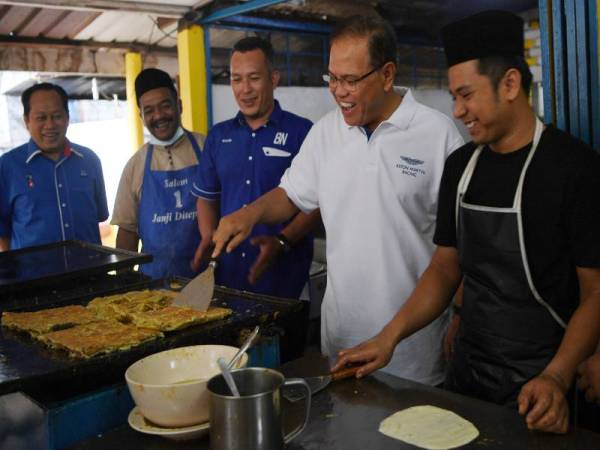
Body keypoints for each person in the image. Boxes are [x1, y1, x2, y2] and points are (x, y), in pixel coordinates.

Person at [332, 10, 600, 435]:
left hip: (544, 383)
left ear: (510, 84)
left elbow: (595, 291)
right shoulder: (462, 167)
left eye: (466, 95)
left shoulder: (573, 170)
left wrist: (558, 375)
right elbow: (444, 267)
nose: (457, 111)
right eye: (453, 97)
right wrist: (389, 337)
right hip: (469, 373)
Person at [209, 17, 464, 385]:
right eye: (332, 78)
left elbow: (457, 250)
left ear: (387, 74)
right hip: (342, 343)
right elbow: (292, 195)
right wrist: (248, 215)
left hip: (413, 352)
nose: (339, 91)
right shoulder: (327, 132)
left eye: (350, 80)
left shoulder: (437, 136)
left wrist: (460, 312)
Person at [191, 37, 319, 300]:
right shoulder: (218, 136)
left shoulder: (303, 132)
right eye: (237, 79)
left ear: (274, 79)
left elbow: (319, 203)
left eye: (254, 78)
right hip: (228, 278)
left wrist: (283, 241)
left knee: (284, 341)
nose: (245, 89)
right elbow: (207, 197)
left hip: (285, 279)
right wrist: (208, 237)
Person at [112, 68, 205, 278]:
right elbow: (127, 231)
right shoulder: (135, 165)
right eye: (149, 111)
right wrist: (122, 281)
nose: (159, 116)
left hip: (210, 280)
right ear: (141, 116)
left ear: (179, 105)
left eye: (165, 106)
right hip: (153, 289)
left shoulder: (208, 149)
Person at [0, 83, 109, 251]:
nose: (50, 125)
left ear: (67, 117)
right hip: (33, 276)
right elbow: (3, 234)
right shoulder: (7, 166)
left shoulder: (90, 160)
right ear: (27, 121)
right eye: (41, 118)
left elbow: (100, 217)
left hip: (90, 273)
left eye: (57, 116)